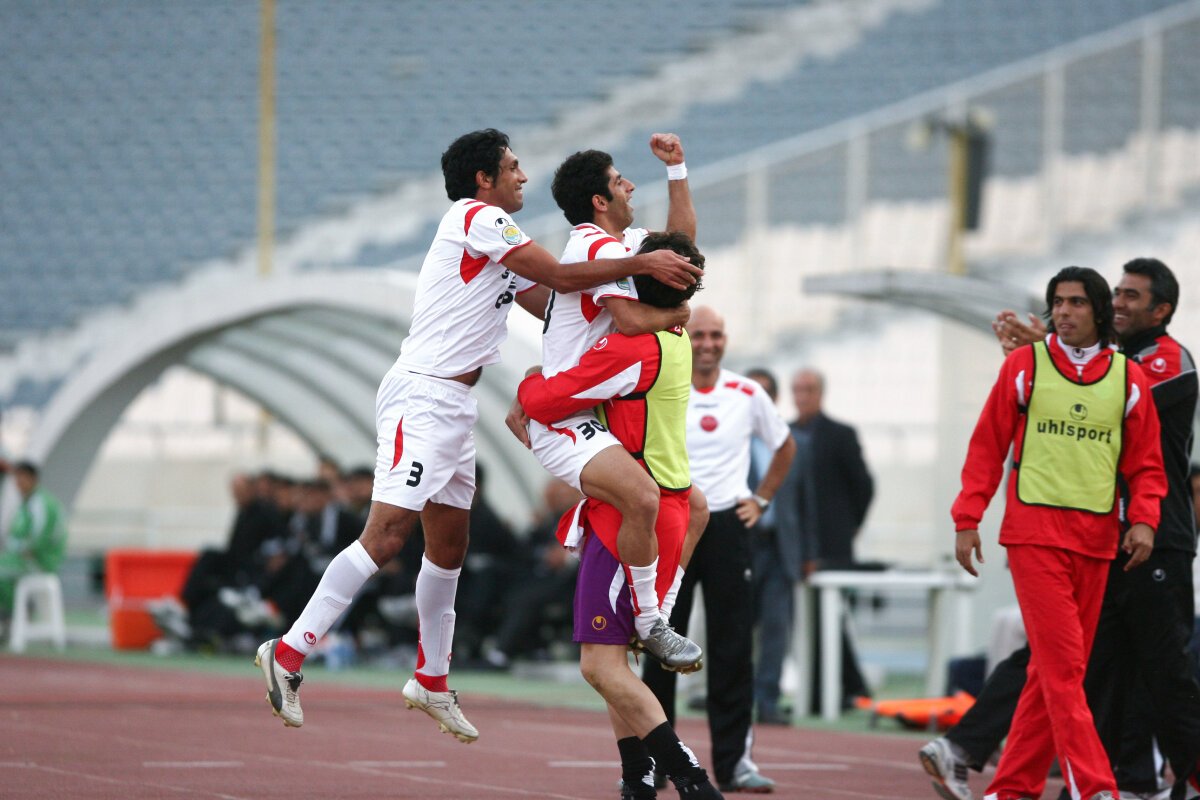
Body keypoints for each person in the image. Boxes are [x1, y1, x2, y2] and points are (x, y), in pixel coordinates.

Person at [254, 128, 701, 740]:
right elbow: (559, 275)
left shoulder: (502, 246)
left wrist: (600, 316)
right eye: (512, 167)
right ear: (483, 180)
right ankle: (287, 653)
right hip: (423, 396)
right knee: (386, 535)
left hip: (455, 404)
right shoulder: (477, 218)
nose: (523, 176)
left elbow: (556, 304)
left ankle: (431, 680)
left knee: (448, 549)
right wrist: (640, 265)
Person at [921, 258, 1200, 800]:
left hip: (1105, 543)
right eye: (1058, 302)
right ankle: (1096, 786)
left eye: (1078, 302)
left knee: (1056, 671)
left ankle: (1010, 787)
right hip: (1036, 536)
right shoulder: (1025, 367)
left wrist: (1144, 520)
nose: (1065, 311)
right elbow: (987, 446)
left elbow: (1146, 463)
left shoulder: (1137, 373)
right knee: (1067, 667)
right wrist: (967, 517)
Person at [518, 231, 723, 800]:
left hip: (630, 520)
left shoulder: (632, 349)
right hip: (666, 509)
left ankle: (690, 777)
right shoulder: (674, 335)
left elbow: (545, 401)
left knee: (599, 667)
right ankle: (637, 780)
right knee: (617, 662)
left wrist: (529, 379)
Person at [505, 138, 704, 667]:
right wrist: (678, 316)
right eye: (619, 181)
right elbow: (632, 321)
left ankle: (652, 617)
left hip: (580, 403)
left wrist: (677, 170)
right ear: (599, 200)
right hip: (561, 412)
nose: (630, 186)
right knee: (643, 496)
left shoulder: (621, 244)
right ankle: (650, 622)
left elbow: (682, 242)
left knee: (688, 505)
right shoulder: (595, 247)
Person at [642, 305, 796, 794]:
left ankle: (735, 764)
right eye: (699, 335)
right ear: (684, 337)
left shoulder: (746, 392)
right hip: (674, 522)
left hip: (728, 524)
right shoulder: (662, 383)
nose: (707, 344)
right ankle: (656, 758)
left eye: (716, 335)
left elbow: (784, 445)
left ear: (725, 340)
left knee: (732, 646)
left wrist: (762, 499)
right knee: (662, 642)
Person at [774, 367, 875, 716]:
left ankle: (842, 688)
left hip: (832, 544)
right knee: (805, 619)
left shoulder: (840, 435)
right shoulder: (784, 434)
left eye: (809, 389)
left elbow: (863, 486)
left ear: (820, 393)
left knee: (831, 618)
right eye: (797, 389)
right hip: (794, 544)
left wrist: (849, 528)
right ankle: (831, 689)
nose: (802, 396)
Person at [743, 367, 803, 726]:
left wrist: (808, 553)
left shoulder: (791, 443)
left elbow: (806, 502)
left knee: (777, 628)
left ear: (775, 399)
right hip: (741, 546)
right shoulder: (729, 440)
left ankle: (767, 700)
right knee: (737, 628)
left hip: (780, 549)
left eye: (766, 393)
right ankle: (736, 698)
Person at [0, 462, 68, 621]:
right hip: (22, 559)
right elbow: (14, 535)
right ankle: (15, 612)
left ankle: (14, 614)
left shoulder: (42, 503)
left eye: (22, 478)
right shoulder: (25, 504)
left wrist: (20, 550)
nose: (18, 483)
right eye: (16, 478)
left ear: (33, 479)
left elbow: (39, 539)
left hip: (41, 561)